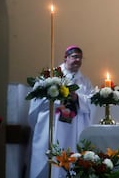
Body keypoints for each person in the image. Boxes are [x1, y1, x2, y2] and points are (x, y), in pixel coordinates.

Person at [28, 46, 95, 178]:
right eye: (75, 56)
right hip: (53, 124)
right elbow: (37, 98)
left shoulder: (84, 81)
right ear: (66, 57)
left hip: (74, 127)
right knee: (49, 156)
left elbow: (91, 101)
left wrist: (77, 98)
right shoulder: (51, 75)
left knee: (71, 158)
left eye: (80, 58)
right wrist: (57, 98)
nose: (78, 60)